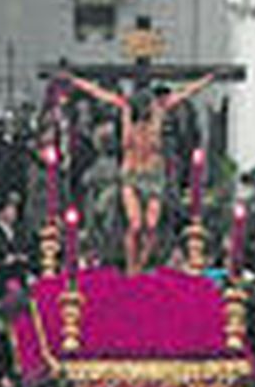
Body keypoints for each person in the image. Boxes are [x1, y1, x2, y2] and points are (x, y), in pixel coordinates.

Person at [61, 69, 218, 274]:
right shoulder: (126, 114)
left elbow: (184, 93)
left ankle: (140, 264)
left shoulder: (158, 114)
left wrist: (206, 80)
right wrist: (76, 81)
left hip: (153, 178)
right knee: (135, 225)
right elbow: (100, 93)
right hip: (131, 177)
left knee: (151, 226)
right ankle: (131, 268)